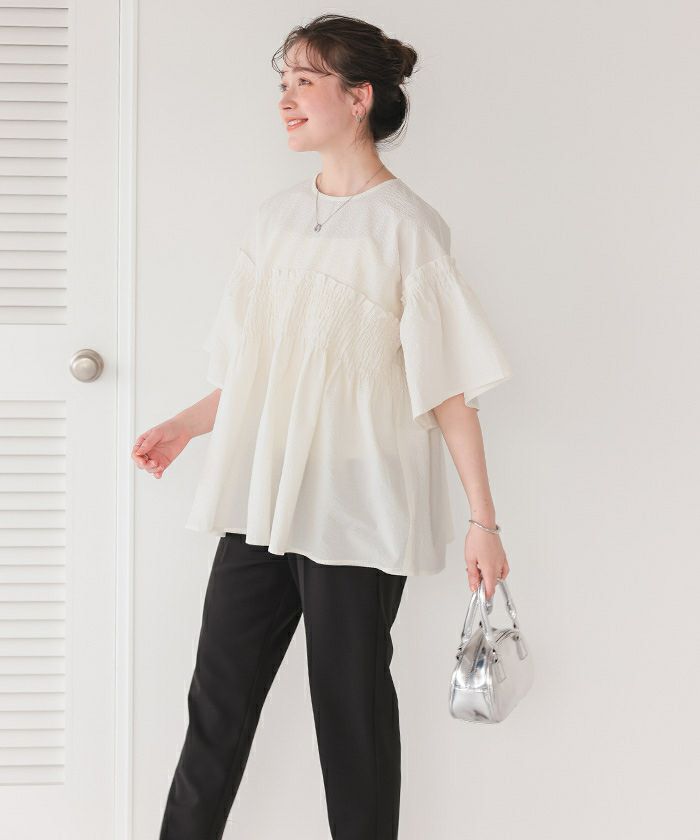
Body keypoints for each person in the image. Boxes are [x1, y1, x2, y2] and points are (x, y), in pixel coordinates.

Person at [133, 13, 512, 840]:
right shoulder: (273, 221)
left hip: (356, 505)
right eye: (284, 83)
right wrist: (186, 425)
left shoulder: (407, 229)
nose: (286, 99)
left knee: (351, 715)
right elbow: (254, 373)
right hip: (261, 498)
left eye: (305, 82)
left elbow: (449, 390)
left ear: (359, 97)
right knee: (216, 704)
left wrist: (483, 521)